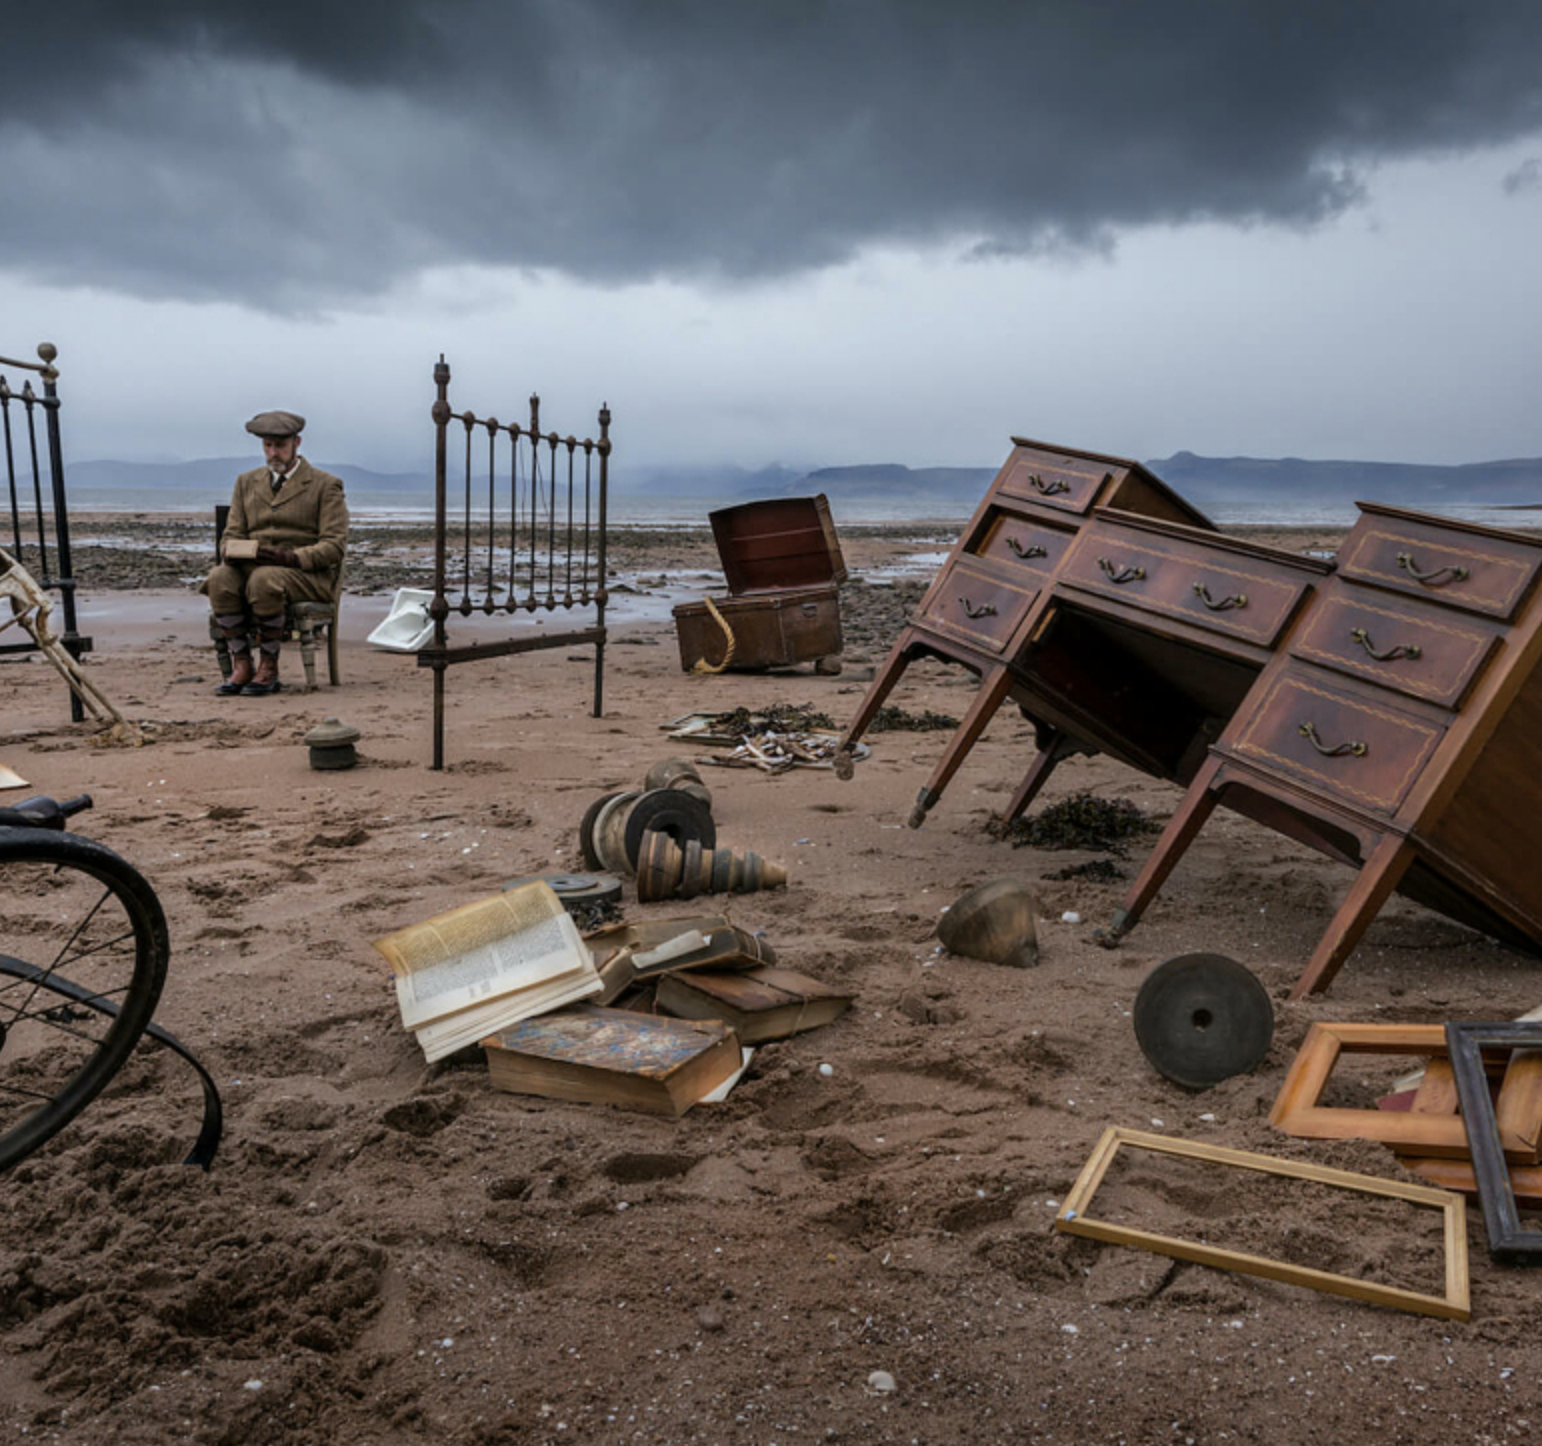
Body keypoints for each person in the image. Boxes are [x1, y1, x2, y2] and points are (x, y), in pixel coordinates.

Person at [205, 410, 349, 696]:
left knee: (264, 579)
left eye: (280, 446)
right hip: (254, 569)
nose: (273, 453)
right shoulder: (246, 482)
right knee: (219, 577)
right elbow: (232, 533)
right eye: (267, 446)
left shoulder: (325, 485)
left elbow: (334, 546)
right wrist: (232, 551)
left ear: (297, 442)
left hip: (307, 576)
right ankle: (242, 663)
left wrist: (290, 558)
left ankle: (268, 667)